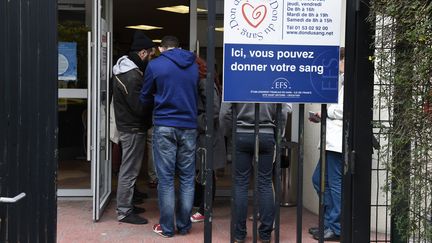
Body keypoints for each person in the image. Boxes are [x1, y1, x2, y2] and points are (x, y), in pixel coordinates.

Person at [140, 35, 199, 238]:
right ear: (179, 47)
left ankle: (167, 228)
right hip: (189, 126)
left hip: (165, 125)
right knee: (187, 178)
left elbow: (145, 96)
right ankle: (184, 226)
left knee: (165, 180)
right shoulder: (193, 64)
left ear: (161, 48)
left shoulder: (156, 65)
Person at [220, 102, 292, 243]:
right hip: (266, 134)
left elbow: (224, 113)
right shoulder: (271, 79)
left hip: (241, 133)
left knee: (240, 183)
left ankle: (239, 233)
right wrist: (278, 132)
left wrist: (231, 132)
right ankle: (265, 234)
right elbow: (282, 111)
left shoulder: (235, 79)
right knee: (265, 183)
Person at [112, 30, 155, 224]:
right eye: (151, 54)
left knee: (129, 168)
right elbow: (138, 106)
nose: (151, 58)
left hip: (129, 126)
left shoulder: (127, 70)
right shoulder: (131, 75)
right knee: (129, 170)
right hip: (132, 128)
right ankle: (124, 211)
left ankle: (127, 204)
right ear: (143, 53)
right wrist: (154, 100)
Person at [308, 48, 345, 241]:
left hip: (337, 141)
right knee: (319, 180)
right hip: (330, 140)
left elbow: (344, 109)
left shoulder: (349, 80)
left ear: (344, 60)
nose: (336, 65)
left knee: (334, 183)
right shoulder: (340, 80)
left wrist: (325, 113)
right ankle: (329, 223)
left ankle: (336, 227)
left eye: (338, 61)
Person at [190, 56, 226, 223]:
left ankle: (205, 209)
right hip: (206, 133)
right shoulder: (205, 81)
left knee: (206, 171)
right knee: (203, 170)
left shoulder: (204, 82)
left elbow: (213, 110)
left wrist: (196, 122)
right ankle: (201, 205)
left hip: (207, 134)